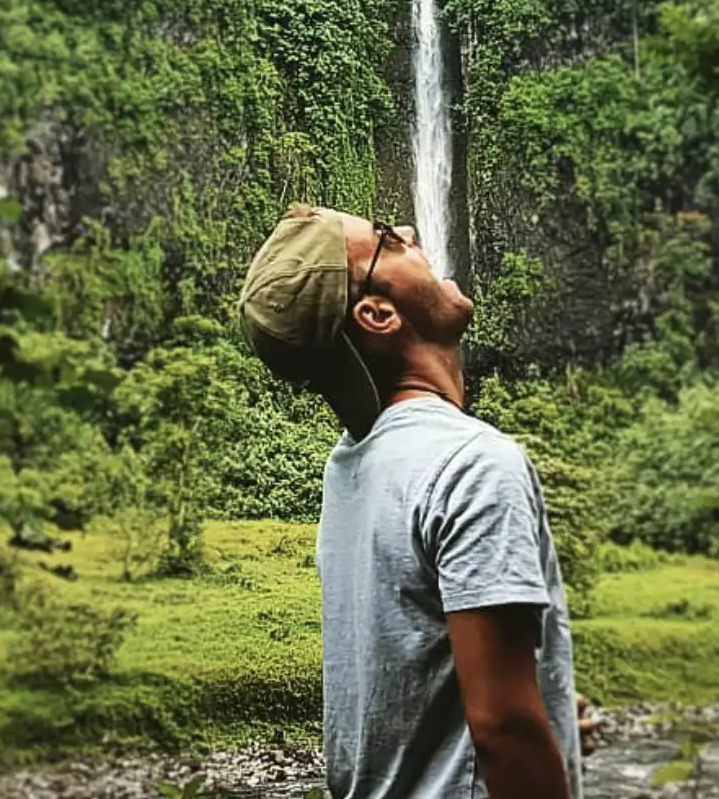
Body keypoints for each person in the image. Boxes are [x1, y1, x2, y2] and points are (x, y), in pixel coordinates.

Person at [238, 205, 591, 799]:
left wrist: (545, 715)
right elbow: (502, 731)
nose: (406, 232)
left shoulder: (351, 466)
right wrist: (522, 731)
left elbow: (424, 683)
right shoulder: (472, 465)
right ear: (377, 314)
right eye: (384, 239)